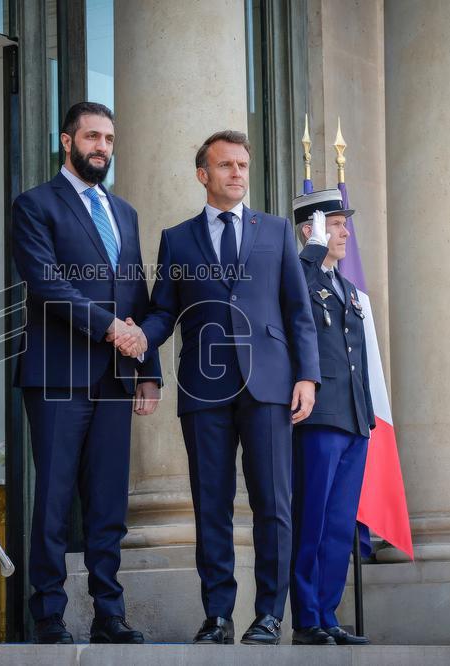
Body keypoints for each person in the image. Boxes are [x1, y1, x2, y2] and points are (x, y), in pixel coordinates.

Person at [127, 130, 319, 645]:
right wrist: (141, 345)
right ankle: (217, 617)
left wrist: (307, 376)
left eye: (242, 165)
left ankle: (269, 617)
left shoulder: (276, 231)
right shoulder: (178, 238)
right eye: (226, 165)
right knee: (210, 504)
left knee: (273, 504)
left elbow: (298, 312)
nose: (237, 173)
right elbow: (165, 310)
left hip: (270, 385)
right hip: (204, 387)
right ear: (202, 174)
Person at [11, 101, 161, 644]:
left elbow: (137, 292)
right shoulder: (34, 205)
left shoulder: (124, 212)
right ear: (67, 140)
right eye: (92, 136)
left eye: (109, 139)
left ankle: (108, 614)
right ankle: (48, 614)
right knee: (52, 500)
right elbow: (48, 284)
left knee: (108, 502)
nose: (102, 147)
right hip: (56, 374)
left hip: (118, 378)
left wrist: (148, 369)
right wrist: (109, 329)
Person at [289, 190, 373, 646]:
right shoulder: (303, 275)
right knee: (312, 520)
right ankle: (306, 619)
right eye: (336, 224)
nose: (345, 232)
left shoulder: (346, 288)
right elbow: (292, 304)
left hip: (355, 420)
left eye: (344, 224)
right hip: (319, 419)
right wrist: (311, 253)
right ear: (312, 230)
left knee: (340, 524)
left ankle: (328, 614)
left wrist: (369, 417)